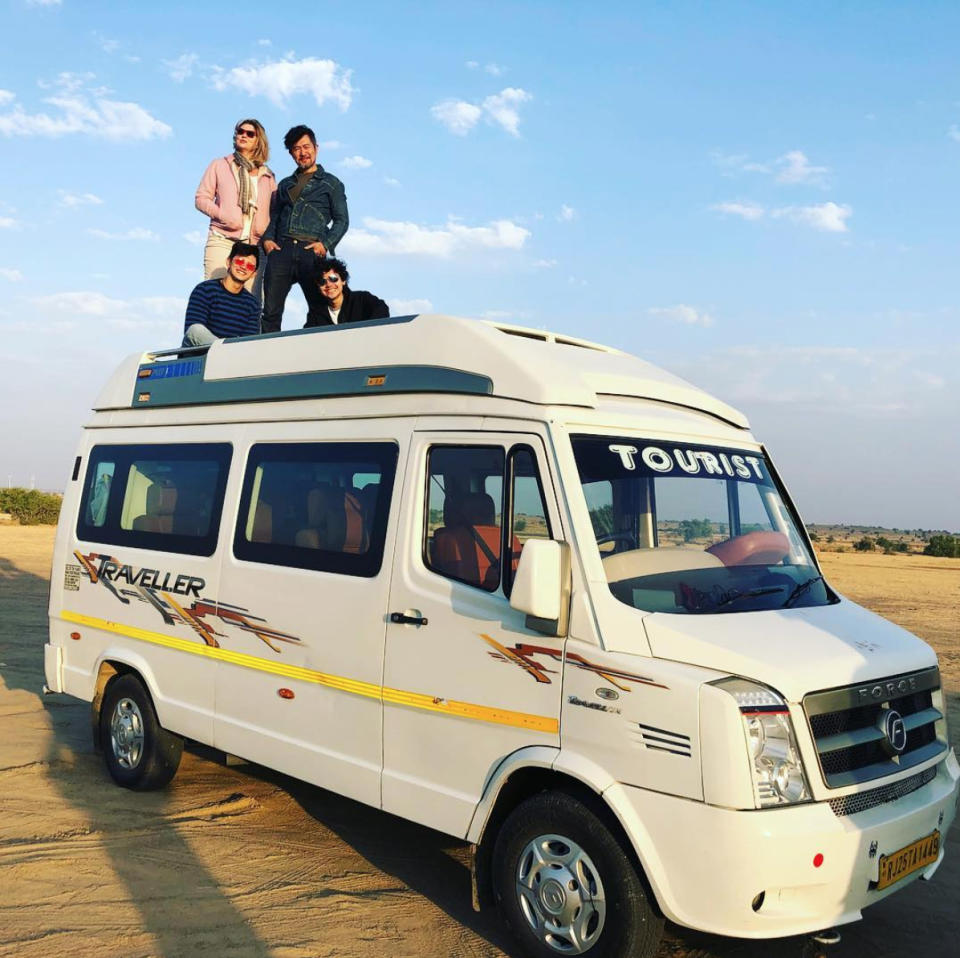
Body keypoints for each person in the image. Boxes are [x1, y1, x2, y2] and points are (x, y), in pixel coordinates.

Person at [261, 125, 349, 332]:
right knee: (270, 312)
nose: (303, 152)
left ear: (316, 148)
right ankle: (267, 358)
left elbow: (342, 220)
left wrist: (325, 244)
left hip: (311, 252)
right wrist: (267, 240)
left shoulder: (332, 183)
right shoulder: (284, 184)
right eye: (296, 149)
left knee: (320, 308)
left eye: (306, 146)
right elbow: (275, 216)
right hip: (281, 250)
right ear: (291, 154)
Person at [194, 119, 276, 298]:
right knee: (215, 295)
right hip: (223, 239)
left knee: (251, 302)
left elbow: (274, 211)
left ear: (258, 140)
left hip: (255, 247)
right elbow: (201, 198)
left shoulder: (268, 176)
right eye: (240, 132)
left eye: (249, 133)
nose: (243, 135)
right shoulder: (219, 165)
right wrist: (224, 215)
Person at [182, 242, 261, 346]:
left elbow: (248, 342)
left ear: (254, 273)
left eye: (250, 266)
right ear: (229, 262)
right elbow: (193, 334)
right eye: (240, 261)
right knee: (195, 329)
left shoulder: (253, 304)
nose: (243, 267)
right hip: (199, 355)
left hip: (230, 358)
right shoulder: (205, 290)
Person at [311, 258, 389, 326]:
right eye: (322, 281)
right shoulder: (315, 314)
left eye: (333, 278)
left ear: (343, 280)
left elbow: (382, 309)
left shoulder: (362, 299)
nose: (329, 284)